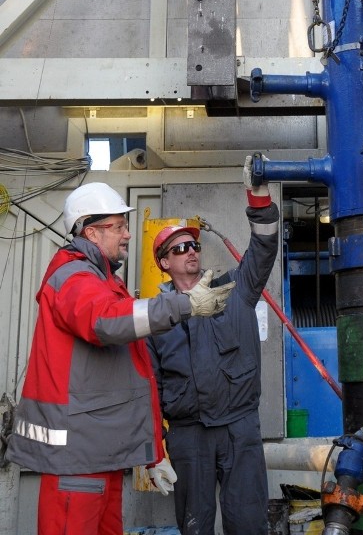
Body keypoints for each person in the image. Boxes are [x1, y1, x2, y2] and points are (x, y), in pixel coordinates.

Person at [6, 181, 234, 535]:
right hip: (78, 462)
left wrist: (151, 453)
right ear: (92, 232)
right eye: (119, 226)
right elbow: (106, 321)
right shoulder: (74, 277)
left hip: (99, 456)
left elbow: (130, 373)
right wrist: (183, 303)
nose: (128, 234)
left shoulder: (102, 280)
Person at [146, 153, 279, 535]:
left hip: (240, 430)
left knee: (249, 524)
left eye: (194, 246)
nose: (191, 251)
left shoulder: (236, 291)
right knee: (195, 526)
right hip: (189, 437)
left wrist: (259, 199)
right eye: (179, 248)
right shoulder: (156, 317)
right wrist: (155, 450)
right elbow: (150, 388)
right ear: (163, 263)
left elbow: (264, 249)